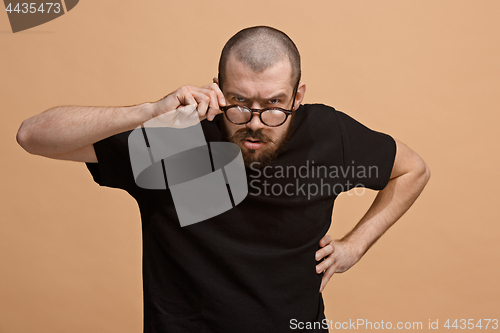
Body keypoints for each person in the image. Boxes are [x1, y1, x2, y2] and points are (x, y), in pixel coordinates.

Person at [16, 26, 430, 332]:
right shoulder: (174, 138)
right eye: (239, 102)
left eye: (274, 105)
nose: (255, 122)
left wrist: (354, 246)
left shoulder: (329, 135)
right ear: (217, 90)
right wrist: (148, 111)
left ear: (298, 97)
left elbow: (413, 169)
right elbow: (33, 136)